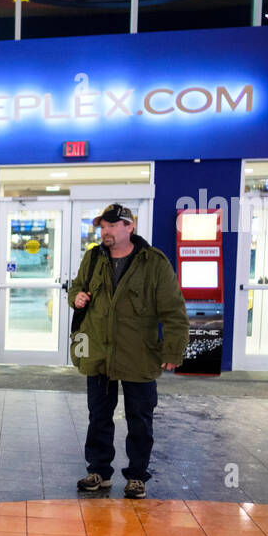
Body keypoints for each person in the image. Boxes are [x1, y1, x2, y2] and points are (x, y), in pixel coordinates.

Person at [70, 203, 189, 499]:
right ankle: (98, 471)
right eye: (102, 227)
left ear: (129, 227)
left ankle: (137, 475)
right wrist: (78, 298)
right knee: (98, 415)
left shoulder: (154, 262)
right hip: (98, 351)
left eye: (111, 226)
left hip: (139, 354)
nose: (105, 232)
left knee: (140, 417)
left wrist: (173, 351)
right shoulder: (93, 257)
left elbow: (174, 311)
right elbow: (76, 288)